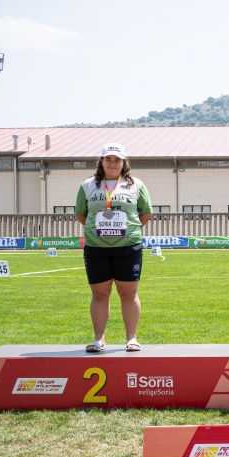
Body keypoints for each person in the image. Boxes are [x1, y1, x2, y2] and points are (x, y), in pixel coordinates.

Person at [75, 143, 152, 352]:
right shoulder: (88, 185)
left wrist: (128, 231)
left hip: (128, 247)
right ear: (101, 161)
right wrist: (98, 230)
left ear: (124, 162)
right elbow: (81, 213)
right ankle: (99, 339)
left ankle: (132, 338)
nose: (112, 163)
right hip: (96, 248)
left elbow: (145, 213)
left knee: (128, 293)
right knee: (100, 294)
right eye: (108, 159)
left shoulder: (136, 185)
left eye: (117, 159)